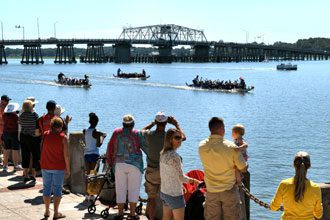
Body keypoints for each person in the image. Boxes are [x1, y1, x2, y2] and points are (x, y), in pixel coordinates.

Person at [199, 117, 247, 220]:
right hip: (229, 190)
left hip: (211, 191)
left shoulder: (202, 146)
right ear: (221, 128)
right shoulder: (231, 147)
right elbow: (243, 168)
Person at [141, 112, 186, 220]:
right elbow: (183, 137)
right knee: (166, 197)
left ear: (156, 122)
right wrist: (176, 124)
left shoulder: (149, 135)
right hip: (165, 171)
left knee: (151, 199)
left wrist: (153, 123)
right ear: (166, 123)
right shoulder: (168, 137)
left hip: (151, 171)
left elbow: (141, 131)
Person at [106, 114, 146, 220]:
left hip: (119, 164)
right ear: (133, 124)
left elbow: (109, 147)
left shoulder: (116, 132)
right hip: (135, 164)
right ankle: (132, 214)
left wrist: (110, 162)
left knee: (120, 188)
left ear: (123, 124)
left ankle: (120, 214)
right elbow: (145, 147)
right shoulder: (137, 134)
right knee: (134, 189)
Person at [160, 128, 200, 220]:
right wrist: (194, 181)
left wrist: (181, 185)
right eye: (177, 137)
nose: (180, 140)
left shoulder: (163, 153)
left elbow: (167, 173)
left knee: (166, 218)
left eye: (181, 137)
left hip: (165, 192)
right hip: (175, 195)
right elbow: (181, 177)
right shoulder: (175, 157)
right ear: (170, 139)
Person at [270, 151, 323, 219]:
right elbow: (318, 215)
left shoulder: (284, 184)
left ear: (294, 165)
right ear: (309, 166)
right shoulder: (315, 188)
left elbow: (273, 207)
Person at [40, 117, 70, 219]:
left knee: (46, 188)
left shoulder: (45, 134)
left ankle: (47, 211)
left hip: (45, 165)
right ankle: (56, 212)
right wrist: (68, 169)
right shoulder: (63, 138)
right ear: (61, 127)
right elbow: (66, 155)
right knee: (57, 189)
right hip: (58, 166)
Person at [83, 113, 106, 200]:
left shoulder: (85, 131)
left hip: (86, 154)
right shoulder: (96, 132)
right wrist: (103, 137)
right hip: (94, 155)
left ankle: (86, 194)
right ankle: (92, 194)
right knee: (93, 175)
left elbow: (86, 142)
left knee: (87, 174)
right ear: (96, 122)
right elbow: (99, 144)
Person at [19, 100, 39, 182]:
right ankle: (33, 175)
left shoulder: (21, 115)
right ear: (31, 107)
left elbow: (20, 123)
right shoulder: (34, 115)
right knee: (35, 155)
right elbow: (38, 124)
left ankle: (26, 174)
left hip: (23, 136)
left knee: (25, 155)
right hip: (33, 137)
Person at [2, 102, 23, 172]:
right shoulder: (16, 116)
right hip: (14, 134)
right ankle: (16, 165)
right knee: (15, 150)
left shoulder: (4, 115)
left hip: (5, 133)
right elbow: (19, 123)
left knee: (6, 149)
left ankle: (5, 166)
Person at [0, 95, 11, 165]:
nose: (8, 102)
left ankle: (3, 160)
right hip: (1, 129)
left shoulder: (6, 108)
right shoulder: (1, 108)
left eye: (8, 100)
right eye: (6, 101)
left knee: (3, 145)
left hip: (4, 129)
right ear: (2, 101)